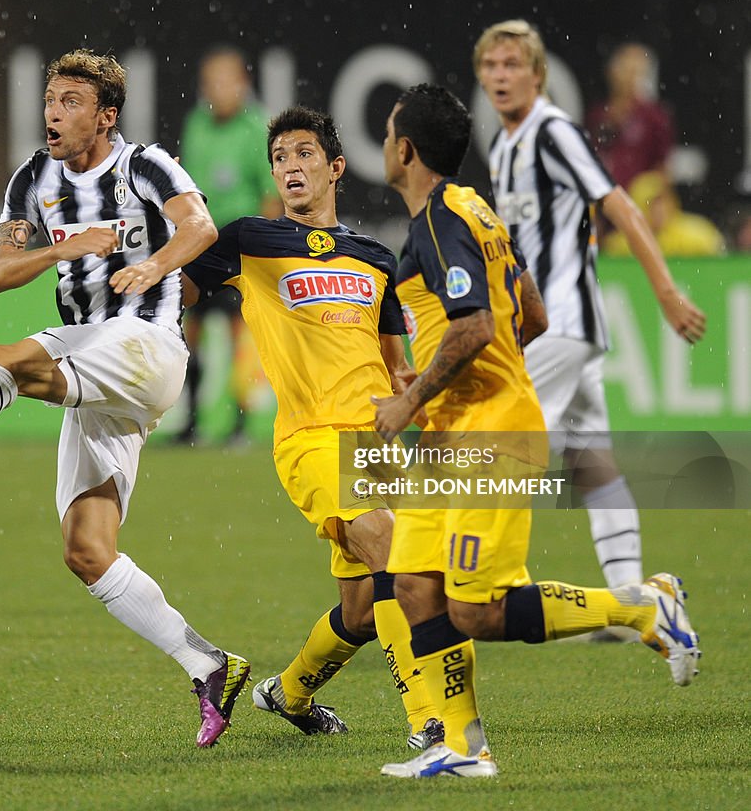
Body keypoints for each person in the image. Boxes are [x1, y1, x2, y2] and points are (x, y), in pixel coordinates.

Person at [0, 48, 250, 749]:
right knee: (88, 551)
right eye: (49, 99)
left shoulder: (144, 165)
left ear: (105, 116)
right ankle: (208, 665)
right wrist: (64, 251)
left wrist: (150, 263)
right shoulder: (33, 177)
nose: (52, 112)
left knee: (8, 361)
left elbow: (201, 227)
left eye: (69, 102)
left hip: (147, 345)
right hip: (91, 352)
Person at [371, 82, 701, 780]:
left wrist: (415, 398)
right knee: (412, 584)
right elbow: (531, 314)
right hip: (457, 428)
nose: (382, 145)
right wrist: (450, 389)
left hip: (487, 431)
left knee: (476, 611)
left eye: (386, 134)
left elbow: (475, 325)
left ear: (404, 149)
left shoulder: (437, 220)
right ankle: (463, 747)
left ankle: (642, 608)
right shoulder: (475, 210)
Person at [183, 105, 435, 746]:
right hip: (311, 440)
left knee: (359, 610)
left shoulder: (378, 258)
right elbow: (178, 288)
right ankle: (431, 722)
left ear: (335, 167)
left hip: (377, 445)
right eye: (280, 159)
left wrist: (418, 396)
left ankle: (288, 693)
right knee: (394, 553)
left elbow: (394, 363)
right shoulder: (250, 240)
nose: (290, 167)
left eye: (303, 154)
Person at [475, 20, 706, 601]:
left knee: (502, 445)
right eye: (491, 66)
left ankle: (483, 590)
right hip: (554, 325)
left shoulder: (553, 131)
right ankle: (639, 601)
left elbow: (621, 207)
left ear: (537, 74)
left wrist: (667, 292)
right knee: (590, 460)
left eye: (512, 65)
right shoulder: (505, 144)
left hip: (562, 322)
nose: (501, 76)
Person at [178, 46, 281, 443]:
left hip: (238, 244)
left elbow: (269, 195)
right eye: (212, 82)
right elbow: (186, 186)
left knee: (242, 332)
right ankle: (190, 421)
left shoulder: (256, 128)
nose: (219, 90)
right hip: (201, 242)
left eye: (227, 81)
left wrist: (259, 249)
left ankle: (240, 425)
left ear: (244, 84)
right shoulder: (197, 125)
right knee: (190, 330)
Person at [585, 42, 677, 191]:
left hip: (637, 205)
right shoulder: (597, 114)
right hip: (602, 201)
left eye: (636, 71)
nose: (629, 76)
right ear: (611, 71)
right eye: (625, 69)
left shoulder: (654, 117)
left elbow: (663, 169)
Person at [603, 170, 726, 257]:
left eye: (663, 203)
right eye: (652, 205)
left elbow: (718, 256)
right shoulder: (621, 245)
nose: (659, 211)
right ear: (637, 208)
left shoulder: (697, 233)